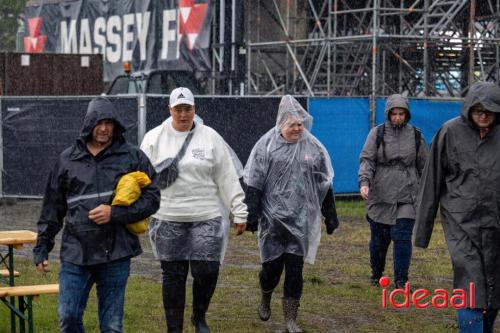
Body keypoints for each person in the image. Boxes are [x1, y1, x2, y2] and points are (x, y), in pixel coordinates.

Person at [33, 97, 161, 333]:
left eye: (109, 123)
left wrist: (115, 213)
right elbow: (52, 208)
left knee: (112, 326)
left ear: (116, 125)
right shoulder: (67, 159)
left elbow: (153, 198)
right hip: (76, 254)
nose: (104, 128)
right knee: (68, 317)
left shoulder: (132, 156)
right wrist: (42, 246)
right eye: (98, 122)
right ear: (88, 124)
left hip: (116, 253)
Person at [140, 87, 247, 333]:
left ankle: (199, 316)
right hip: (168, 215)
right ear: (170, 110)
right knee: (173, 274)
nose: (183, 114)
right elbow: (139, 177)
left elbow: (227, 176)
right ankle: (174, 328)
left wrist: (238, 209)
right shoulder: (154, 138)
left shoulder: (210, 137)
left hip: (206, 214)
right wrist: (135, 210)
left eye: (187, 108)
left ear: (194, 109)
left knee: (207, 269)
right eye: (178, 109)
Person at [244, 95, 338, 333]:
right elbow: (254, 182)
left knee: (295, 271)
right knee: (271, 270)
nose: (297, 128)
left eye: (300, 123)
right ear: (281, 124)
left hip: (300, 220)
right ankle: (266, 294)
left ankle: (290, 320)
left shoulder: (313, 147)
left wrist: (331, 214)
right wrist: (252, 214)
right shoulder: (266, 146)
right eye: (292, 124)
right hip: (272, 221)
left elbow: (323, 182)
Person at [415, 82, 500, 333]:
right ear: (468, 108)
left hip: (496, 223)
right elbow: (431, 182)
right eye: (478, 109)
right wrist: (422, 231)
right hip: (461, 224)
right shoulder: (449, 132)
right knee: (470, 281)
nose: (483, 114)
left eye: (490, 109)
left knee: (494, 284)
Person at [358, 94, 429, 288]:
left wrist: (430, 192)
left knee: (402, 237)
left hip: (407, 195)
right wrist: (364, 182)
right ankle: (376, 273)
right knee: (379, 241)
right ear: (388, 113)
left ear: (407, 114)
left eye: (401, 113)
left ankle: (401, 280)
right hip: (381, 194)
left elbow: (425, 166)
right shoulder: (377, 133)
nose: (398, 117)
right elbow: (367, 159)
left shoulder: (416, 135)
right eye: (394, 113)